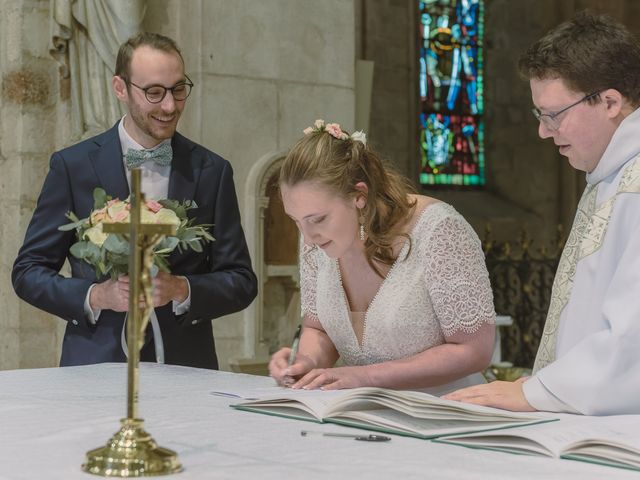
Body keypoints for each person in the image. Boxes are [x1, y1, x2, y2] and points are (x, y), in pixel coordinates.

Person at [12, 32, 257, 369]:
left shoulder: (211, 171)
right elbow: (28, 272)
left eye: (178, 89)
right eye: (154, 92)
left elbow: (241, 281)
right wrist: (96, 296)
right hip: (93, 366)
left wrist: (180, 289)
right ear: (120, 88)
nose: (170, 106)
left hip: (185, 368)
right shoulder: (73, 166)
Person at [444, 11, 640, 415]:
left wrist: (536, 394)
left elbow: (632, 335)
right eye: (540, 115)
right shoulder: (611, 177)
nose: (543, 131)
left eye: (554, 114)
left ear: (610, 102)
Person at [268, 119, 496, 393]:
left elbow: (475, 350)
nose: (306, 237)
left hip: (442, 413)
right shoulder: (316, 239)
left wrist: (366, 377)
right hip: (360, 415)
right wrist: (305, 362)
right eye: (296, 221)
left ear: (359, 196)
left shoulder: (439, 231)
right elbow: (319, 330)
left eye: (317, 219)